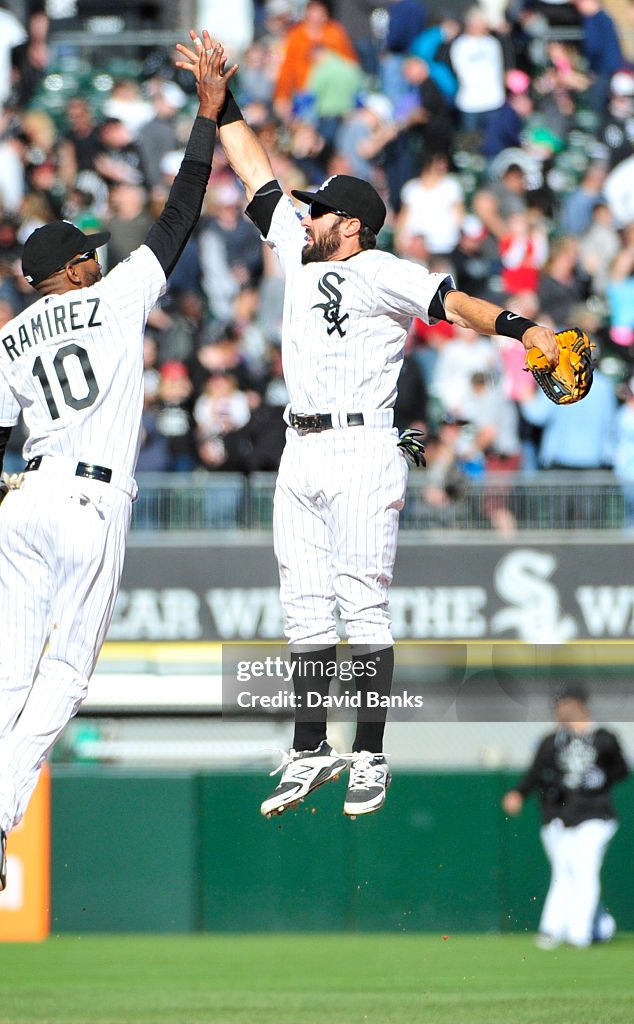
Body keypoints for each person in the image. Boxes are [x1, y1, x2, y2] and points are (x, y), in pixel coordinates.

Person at [177, 30, 560, 820]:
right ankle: (310, 746)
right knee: (304, 609)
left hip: (361, 443)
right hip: (300, 445)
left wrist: (525, 329)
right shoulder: (297, 246)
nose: (305, 214)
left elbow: (454, 303)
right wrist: (223, 109)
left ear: (349, 224)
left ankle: (372, 752)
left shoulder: (382, 270)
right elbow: (257, 174)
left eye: (319, 211)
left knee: (363, 607)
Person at [0, 44, 235, 898]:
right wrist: (206, 117)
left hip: (26, 499)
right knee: (65, 675)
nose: (98, 258)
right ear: (67, 274)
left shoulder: (6, 335)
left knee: (8, 670)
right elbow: (178, 216)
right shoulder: (114, 297)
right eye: (86, 255)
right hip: (90, 500)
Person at [502, 686, 629, 948]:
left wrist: (605, 776)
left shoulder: (603, 737)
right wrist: (518, 792)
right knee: (567, 871)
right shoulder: (554, 741)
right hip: (563, 816)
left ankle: (578, 931)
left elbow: (622, 768)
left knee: (583, 866)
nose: (561, 709)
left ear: (580, 705)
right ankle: (594, 925)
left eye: (566, 704)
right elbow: (535, 772)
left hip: (597, 814)